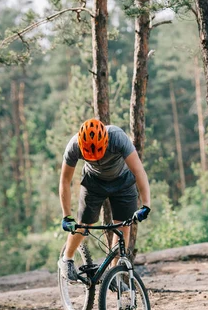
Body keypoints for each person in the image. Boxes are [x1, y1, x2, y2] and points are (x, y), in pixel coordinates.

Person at [58, 118, 151, 281]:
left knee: (124, 226)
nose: (94, 159)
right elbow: (65, 181)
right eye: (90, 156)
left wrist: (146, 204)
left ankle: (114, 274)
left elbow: (138, 171)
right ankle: (67, 258)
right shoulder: (74, 146)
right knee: (84, 224)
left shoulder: (117, 137)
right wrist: (66, 215)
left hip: (123, 181)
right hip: (93, 182)